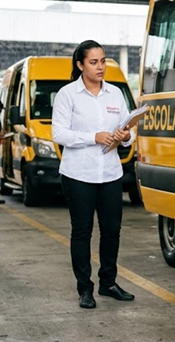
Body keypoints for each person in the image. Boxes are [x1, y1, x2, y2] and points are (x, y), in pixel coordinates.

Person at [52, 40, 136, 310]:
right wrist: (93, 137)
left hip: (110, 172)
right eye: (93, 62)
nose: (100, 67)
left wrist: (125, 136)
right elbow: (59, 134)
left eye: (103, 61)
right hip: (79, 174)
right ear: (80, 65)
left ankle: (108, 283)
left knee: (112, 231)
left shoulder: (114, 94)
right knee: (82, 232)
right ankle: (84, 288)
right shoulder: (67, 94)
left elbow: (128, 130)